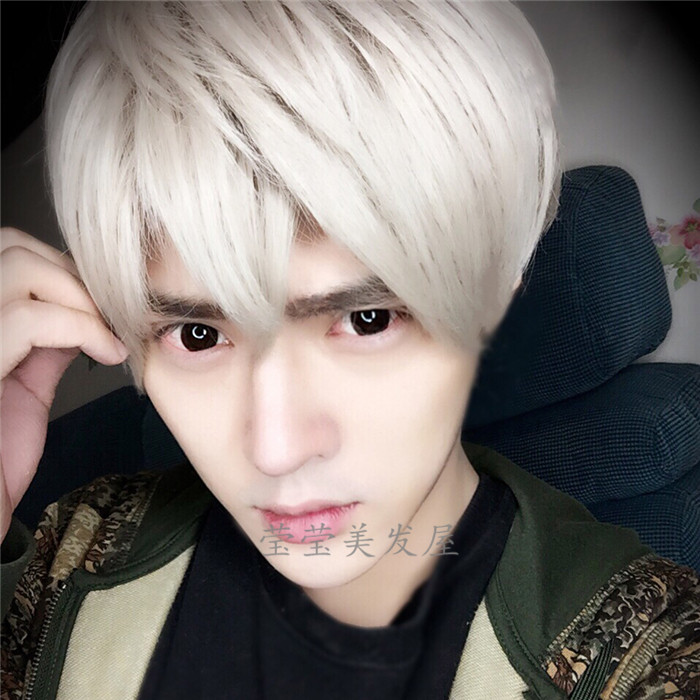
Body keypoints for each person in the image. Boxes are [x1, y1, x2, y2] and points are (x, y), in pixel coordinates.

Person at [1, 2, 698, 698]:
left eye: (367, 319)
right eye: (198, 335)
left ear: (495, 290)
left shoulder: (648, 651)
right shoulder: (76, 547)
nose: (277, 450)